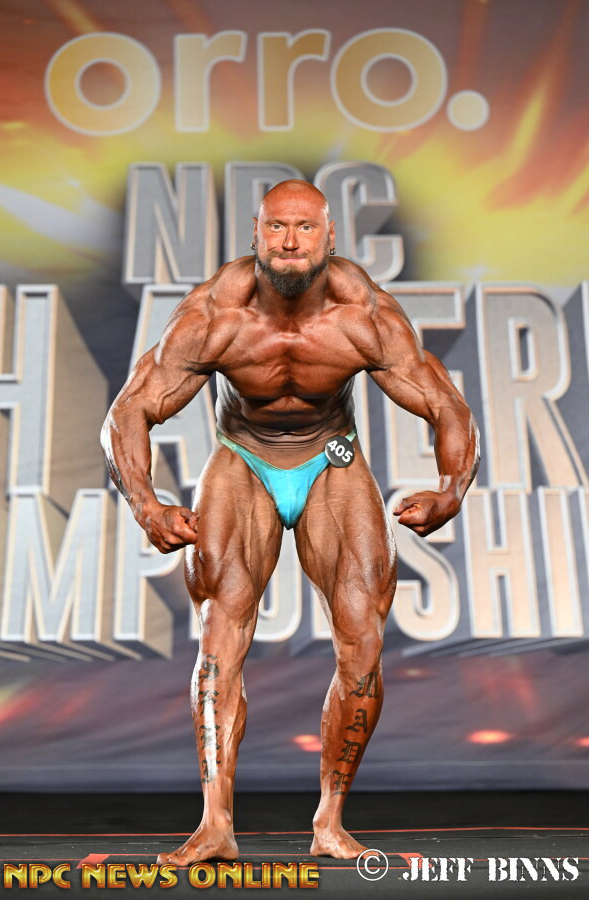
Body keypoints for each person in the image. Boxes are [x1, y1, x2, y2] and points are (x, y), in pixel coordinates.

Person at [101, 179, 480, 864]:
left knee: (362, 637)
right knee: (220, 633)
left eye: (305, 227)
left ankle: (329, 822)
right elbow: (131, 410)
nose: (290, 240)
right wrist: (146, 505)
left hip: (331, 456)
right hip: (243, 456)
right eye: (277, 226)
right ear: (256, 234)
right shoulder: (217, 312)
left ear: (330, 237)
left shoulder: (363, 313)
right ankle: (215, 822)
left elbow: (444, 404)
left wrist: (451, 491)